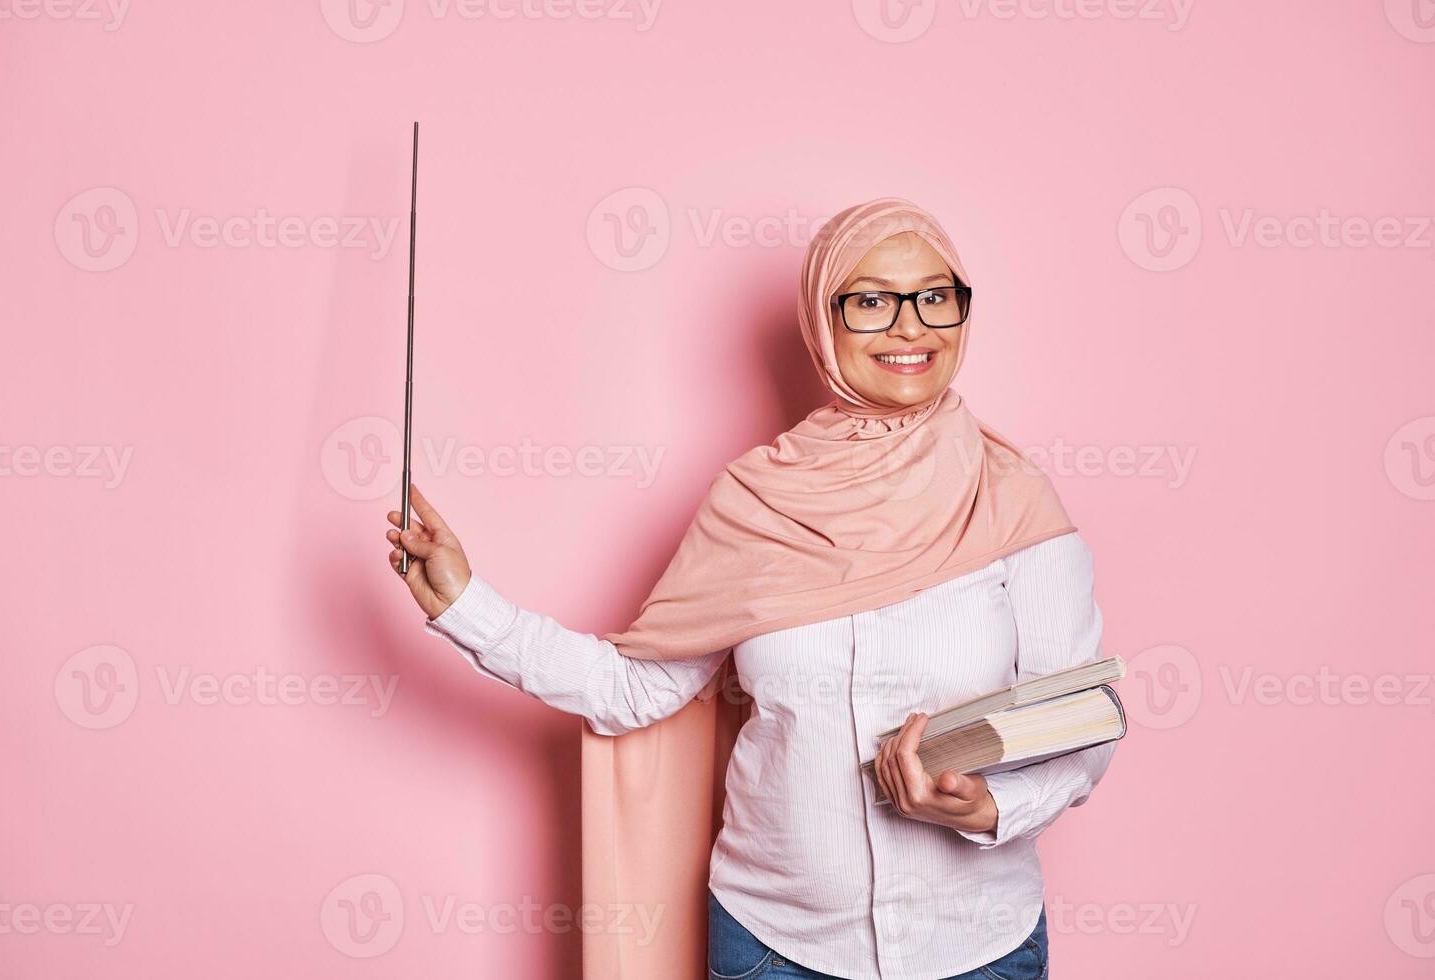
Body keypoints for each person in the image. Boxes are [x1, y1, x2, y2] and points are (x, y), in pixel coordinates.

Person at [386, 198, 1115, 980]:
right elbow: (632, 690)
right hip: (774, 947)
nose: (912, 327)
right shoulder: (755, 502)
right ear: (820, 322)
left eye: (936, 296)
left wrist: (994, 808)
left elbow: (1078, 720)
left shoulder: (1013, 502)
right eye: (871, 301)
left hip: (977, 944)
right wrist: (465, 607)